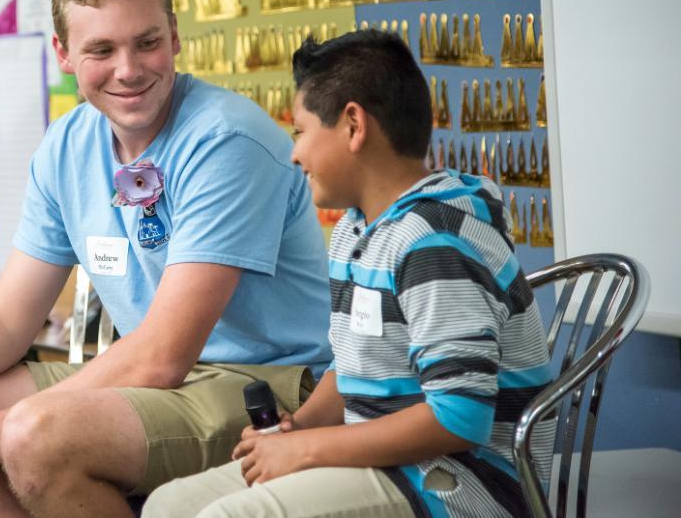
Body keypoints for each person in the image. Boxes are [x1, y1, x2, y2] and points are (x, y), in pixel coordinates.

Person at [0, 0, 332, 517]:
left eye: (147, 42)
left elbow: (162, 357)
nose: (129, 69)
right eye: (101, 49)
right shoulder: (66, 145)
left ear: (174, 36)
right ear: (64, 54)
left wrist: (6, 423)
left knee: (33, 435)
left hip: (270, 382)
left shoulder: (226, 140)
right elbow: (3, 324)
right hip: (161, 382)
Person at [143, 30, 555, 518]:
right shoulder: (357, 231)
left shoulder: (435, 242)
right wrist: (298, 428)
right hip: (384, 466)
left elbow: (460, 419)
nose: (295, 153)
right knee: (167, 506)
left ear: (354, 126)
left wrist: (310, 450)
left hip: (461, 485)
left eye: (300, 131)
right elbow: (357, 367)